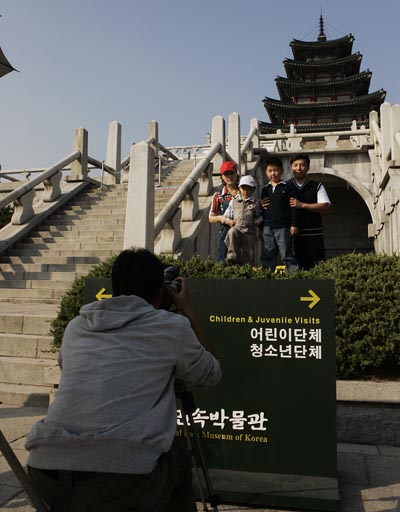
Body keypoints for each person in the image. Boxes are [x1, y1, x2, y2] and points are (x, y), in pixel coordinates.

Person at [25, 248, 221, 512]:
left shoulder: (76, 326)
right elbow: (211, 374)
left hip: (45, 471)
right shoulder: (171, 327)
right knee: (176, 460)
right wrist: (188, 308)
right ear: (160, 292)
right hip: (119, 475)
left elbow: (66, 366)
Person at [287, 153, 331, 270]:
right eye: (295, 165)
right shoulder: (286, 186)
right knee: (295, 270)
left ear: (308, 167)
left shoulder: (317, 186)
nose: (298, 168)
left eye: (302, 165)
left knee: (317, 269)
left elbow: (325, 207)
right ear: (291, 167)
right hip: (292, 236)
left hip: (314, 235)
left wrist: (302, 205)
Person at [260, 157, 299, 273]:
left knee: (287, 254)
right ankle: (266, 279)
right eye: (270, 171)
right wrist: (261, 227)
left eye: (276, 170)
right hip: (267, 227)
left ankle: (293, 278)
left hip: (283, 227)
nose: (273, 173)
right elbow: (263, 210)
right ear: (266, 172)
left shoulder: (288, 187)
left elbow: (293, 207)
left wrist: (294, 224)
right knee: (268, 255)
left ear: (281, 171)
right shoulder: (265, 190)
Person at [223, 174, 263, 265]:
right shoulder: (234, 202)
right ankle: (232, 258)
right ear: (240, 188)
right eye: (244, 188)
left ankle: (245, 270)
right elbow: (226, 215)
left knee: (247, 254)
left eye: (249, 188)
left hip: (249, 231)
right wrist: (229, 221)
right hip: (237, 228)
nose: (246, 191)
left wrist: (258, 221)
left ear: (253, 190)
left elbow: (259, 216)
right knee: (232, 232)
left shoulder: (255, 203)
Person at [208, 160, 239, 261]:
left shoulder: (243, 192)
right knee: (222, 259)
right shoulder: (218, 196)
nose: (229, 177)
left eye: (231, 173)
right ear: (222, 176)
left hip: (241, 230)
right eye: (226, 174)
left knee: (241, 261)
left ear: (236, 174)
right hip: (225, 230)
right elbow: (211, 218)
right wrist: (221, 219)